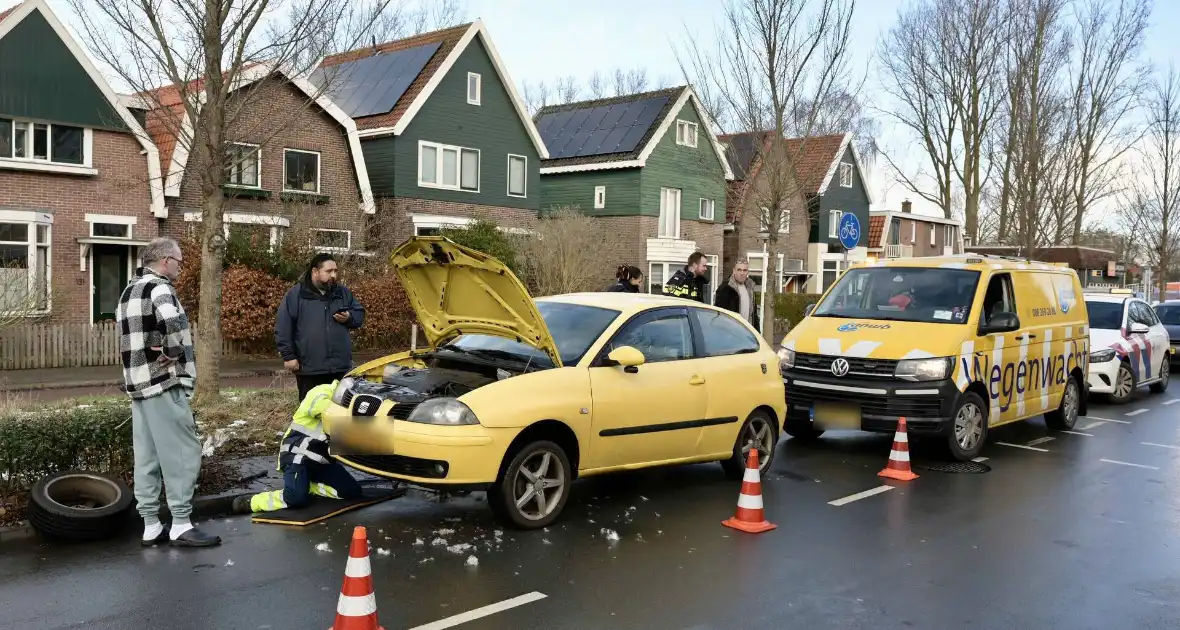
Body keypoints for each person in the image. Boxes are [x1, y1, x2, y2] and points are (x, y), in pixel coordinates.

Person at [115, 237, 221, 548]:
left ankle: (150, 524)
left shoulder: (128, 290)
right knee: (182, 453)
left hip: (138, 384)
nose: (180, 266)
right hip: (164, 382)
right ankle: (181, 523)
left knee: (146, 456)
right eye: (178, 261)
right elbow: (172, 322)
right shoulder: (160, 288)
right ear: (164, 261)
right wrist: (174, 351)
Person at [233, 381, 361, 515]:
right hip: (297, 456)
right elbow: (322, 409)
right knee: (295, 498)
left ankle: (308, 486)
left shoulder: (354, 405)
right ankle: (253, 502)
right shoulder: (322, 391)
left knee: (351, 491)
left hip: (322, 462)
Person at [275, 253, 366, 401]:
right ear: (315, 272)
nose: (333, 275)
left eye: (335, 271)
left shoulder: (342, 293)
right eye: (329, 271)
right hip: (310, 369)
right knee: (311, 411)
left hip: (340, 367)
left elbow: (359, 315)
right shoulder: (296, 295)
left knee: (338, 411)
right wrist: (289, 356)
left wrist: (349, 317)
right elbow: (283, 326)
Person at [714, 259, 761, 331]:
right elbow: (719, 314)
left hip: (748, 334)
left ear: (747, 272)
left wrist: (757, 333)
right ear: (734, 271)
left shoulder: (750, 288)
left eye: (745, 270)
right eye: (739, 270)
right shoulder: (725, 288)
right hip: (731, 334)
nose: (742, 273)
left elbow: (754, 314)